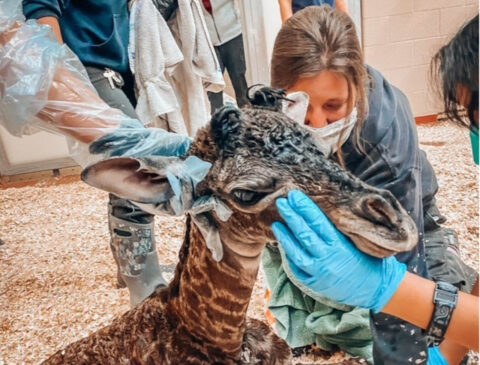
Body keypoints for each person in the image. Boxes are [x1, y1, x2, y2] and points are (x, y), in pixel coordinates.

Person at [267, 6, 478, 364]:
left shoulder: (386, 137)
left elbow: (405, 252)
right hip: (324, 221)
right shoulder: (275, 110)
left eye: (333, 106)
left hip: (403, 226)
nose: (315, 123)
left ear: (357, 91)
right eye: (300, 105)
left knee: (421, 300)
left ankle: (447, 259)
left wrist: (406, 348)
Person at [21, 0, 178, 307]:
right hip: (85, 66)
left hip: (122, 66)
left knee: (122, 166)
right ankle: (145, 286)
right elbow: (41, 9)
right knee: (136, 165)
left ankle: (130, 266)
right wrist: (63, 82)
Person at [200, 0, 250, 113]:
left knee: (239, 77)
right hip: (207, 41)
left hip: (232, 33)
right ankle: (217, 122)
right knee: (214, 84)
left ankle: (248, 116)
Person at [278, 0, 348, 23]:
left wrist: (348, 28)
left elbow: (341, 3)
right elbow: (285, 2)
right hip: (302, 26)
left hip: (329, 23)